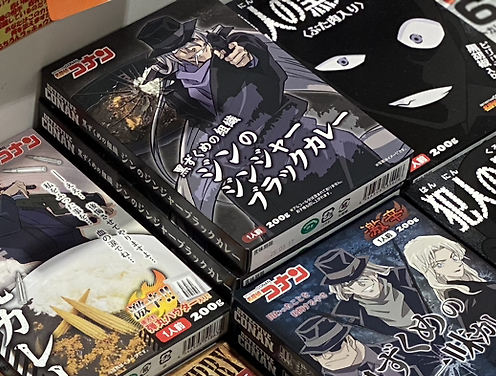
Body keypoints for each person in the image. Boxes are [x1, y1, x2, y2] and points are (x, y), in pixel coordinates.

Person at [133, 16, 385, 225]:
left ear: (199, 35)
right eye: (179, 49)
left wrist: (248, 57)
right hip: (245, 159)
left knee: (344, 158)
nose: (191, 49)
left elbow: (258, 57)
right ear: (170, 56)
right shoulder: (175, 87)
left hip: (289, 132)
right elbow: (201, 121)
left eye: (192, 41)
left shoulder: (231, 45)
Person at [0, 171, 102, 263]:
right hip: (47, 264)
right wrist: (7, 196)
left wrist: (83, 217)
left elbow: (49, 223)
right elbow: (8, 224)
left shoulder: (12, 204)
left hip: (81, 246)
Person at [402, 235, 496, 325]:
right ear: (431, 271)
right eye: (440, 264)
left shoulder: (469, 287)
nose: (455, 264)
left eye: (454, 257)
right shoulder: (458, 296)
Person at [314, 248, 428, 335]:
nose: (362, 283)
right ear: (345, 289)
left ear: (372, 271)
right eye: (350, 282)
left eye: (362, 274)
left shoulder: (408, 276)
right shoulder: (349, 318)